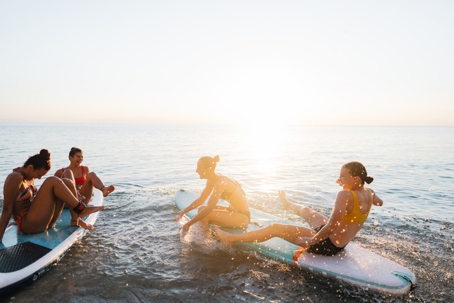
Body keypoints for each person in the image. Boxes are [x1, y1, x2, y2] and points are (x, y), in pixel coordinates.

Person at [214, 161, 383, 257]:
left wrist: (309, 242)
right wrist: (360, 192)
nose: (338, 179)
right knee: (309, 212)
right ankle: (288, 204)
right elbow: (379, 202)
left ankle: (230, 238)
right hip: (341, 242)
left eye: (342, 176)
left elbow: (331, 226)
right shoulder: (369, 192)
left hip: (327, 244)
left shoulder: (344, 195)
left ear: (355, 178)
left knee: (275, 228)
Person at [0, 149, 105, 242]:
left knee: (66, 181)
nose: (40, 178)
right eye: (39, 175)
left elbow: (34, 202)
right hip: (29, 226)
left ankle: (76, 219)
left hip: (42, 222)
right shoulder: (15, 178)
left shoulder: (29, 177)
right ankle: (81, 208)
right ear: (30, 168)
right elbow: (6, 209)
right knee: (52, 180)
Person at [175, 155, 250, 233]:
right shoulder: (212, 180)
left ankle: (205, 242)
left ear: (208, 169)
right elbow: (201, 199)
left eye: (199, 168)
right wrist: (183, 212)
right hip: (232, 210)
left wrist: (188, 224)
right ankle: (206, 234)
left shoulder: (221, 182)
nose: (196, 170)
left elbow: (210, 208)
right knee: (201, 209)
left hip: (242, 217)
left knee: (205, 214)